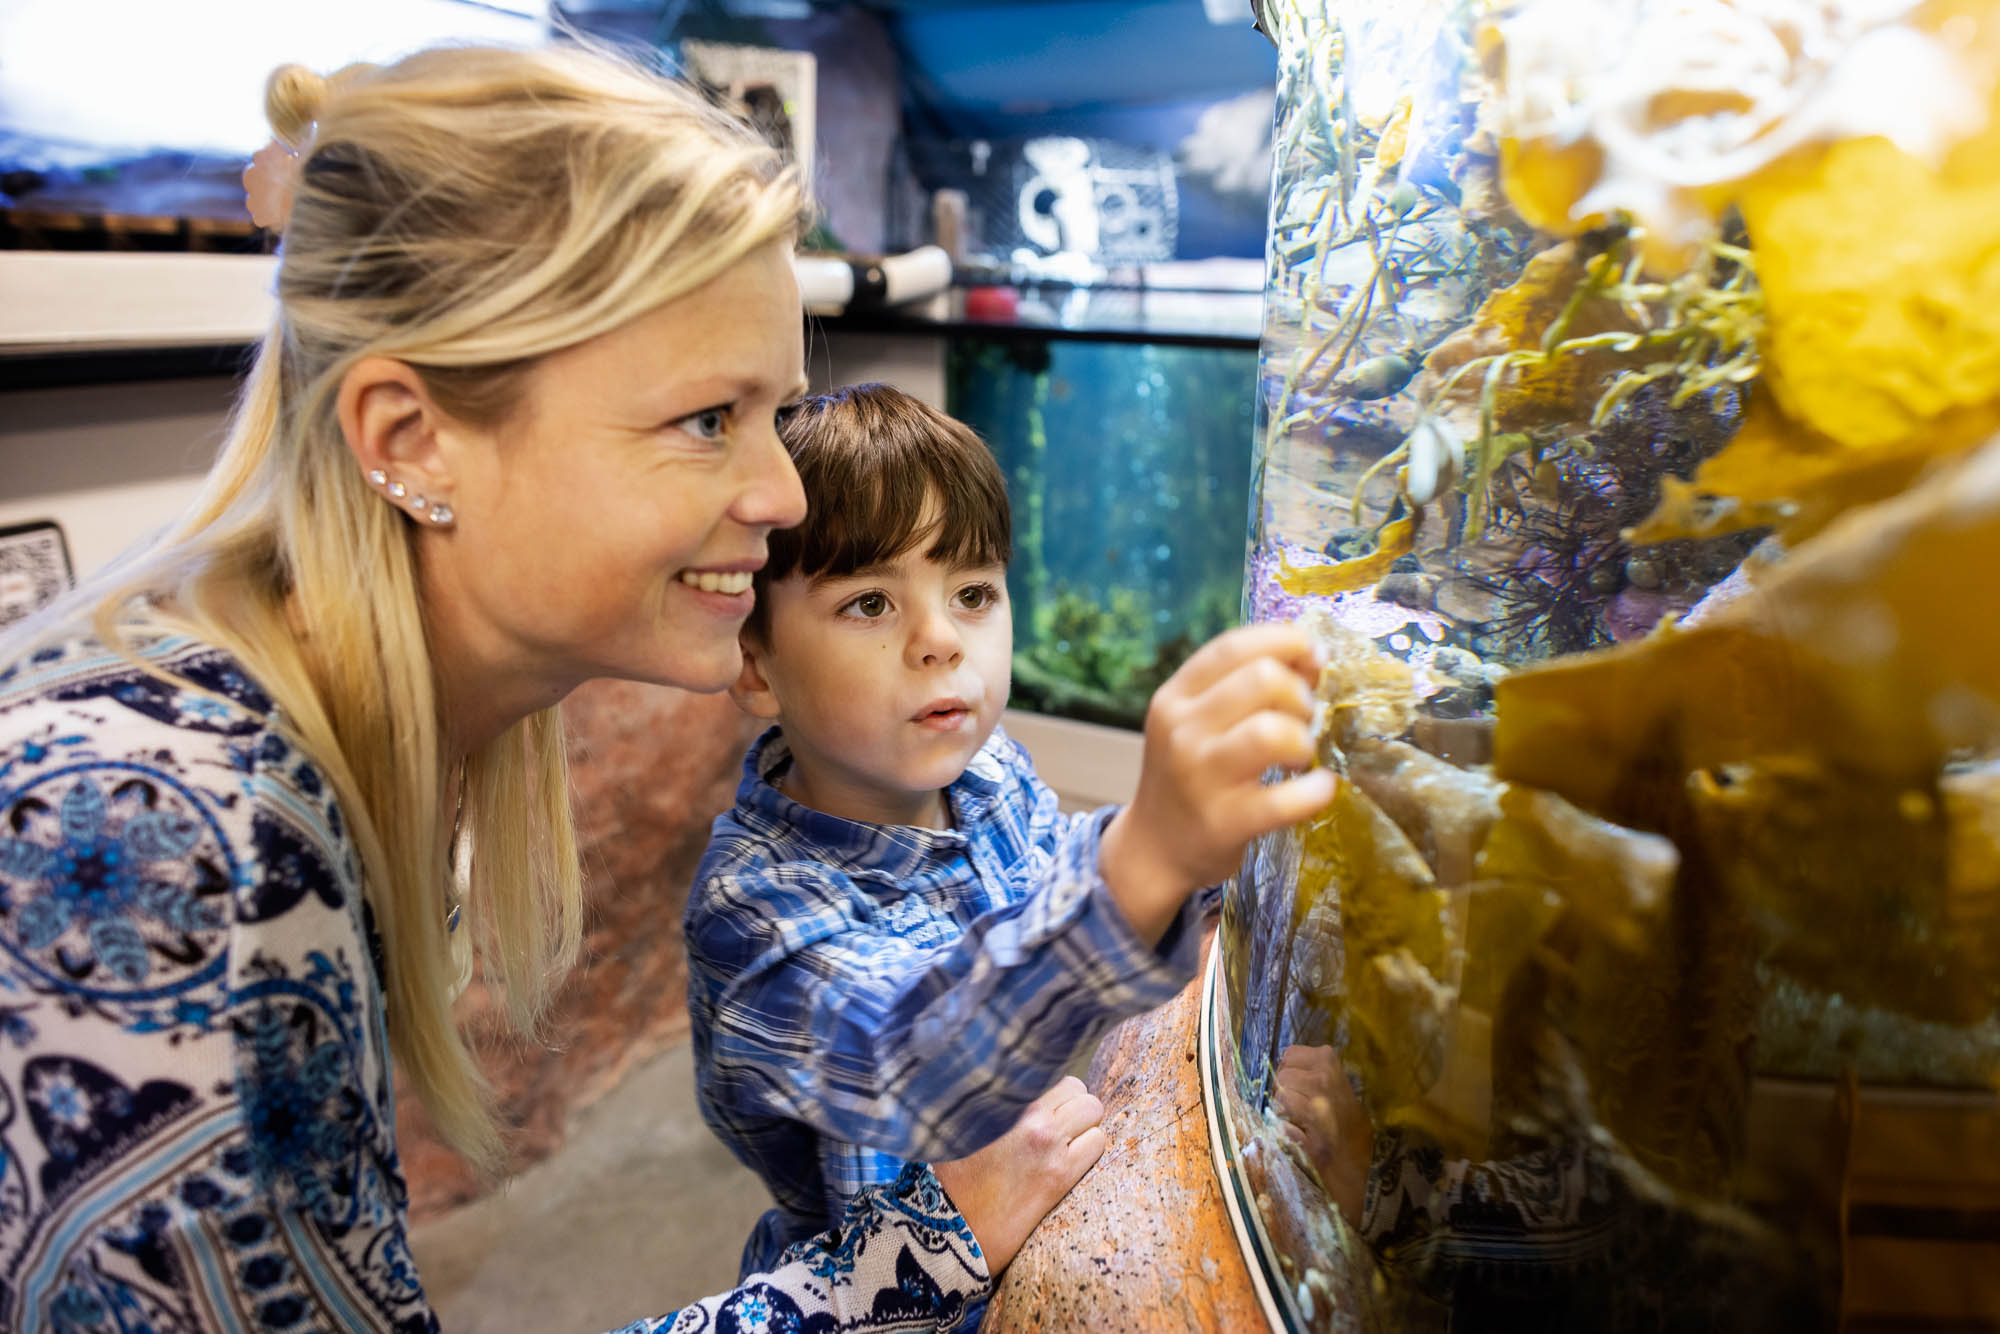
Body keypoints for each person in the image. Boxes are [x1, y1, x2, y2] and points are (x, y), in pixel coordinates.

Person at [0, 46, 1122, 1334]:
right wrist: (916, 1249)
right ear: (413, 440)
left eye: (777, 414)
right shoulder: (171, 843)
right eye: (708, 419)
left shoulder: (335, 748)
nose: (783, 494)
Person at [685, 383, 1336, 1278]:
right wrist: (1143, 858)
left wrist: (1224, 836)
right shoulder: (751, 905)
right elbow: (909, 1065)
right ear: (756, 668)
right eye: (870, 603)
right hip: (882, 1290)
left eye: (973, 592)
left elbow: (1057, 872)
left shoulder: (987, 772)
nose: (940, 639)